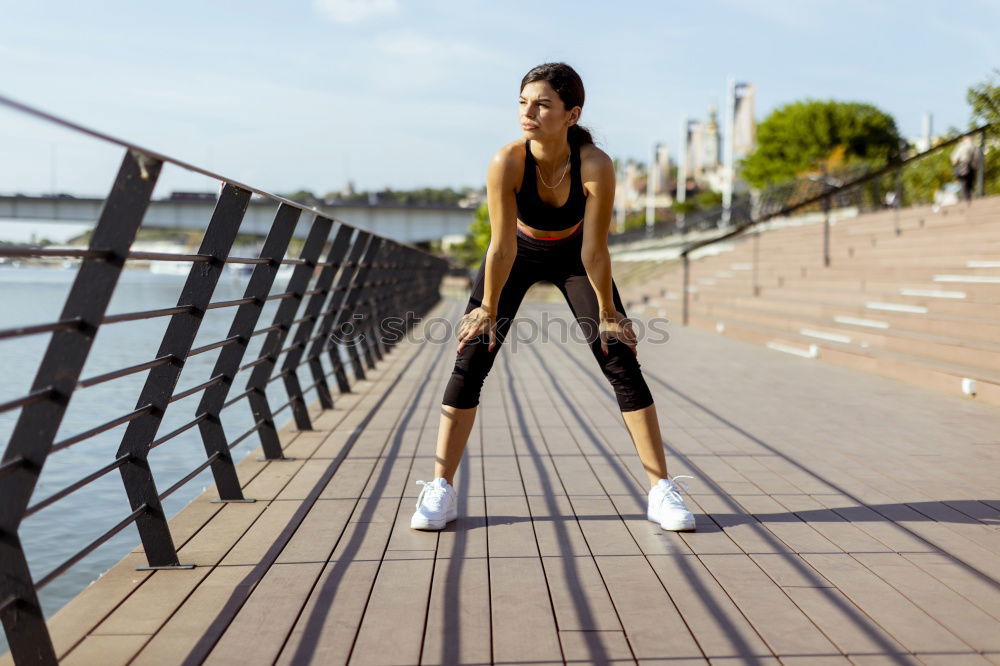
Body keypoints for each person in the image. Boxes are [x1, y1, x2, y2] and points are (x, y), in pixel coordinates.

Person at [410, 63, 696, 533]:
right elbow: (500, 246)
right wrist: (487, 307)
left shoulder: (595, 164)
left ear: (571, 113)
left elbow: (595, 249)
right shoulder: (507, 161)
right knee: (472, 353)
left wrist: (608, 313)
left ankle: (660, 489)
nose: (529, 112)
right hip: (516, 253)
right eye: (523, 102)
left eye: (543, 104)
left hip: (572, 255)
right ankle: (441, 488)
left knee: (618, 354)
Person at [951, 135, 981, 203]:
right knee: (970, 184)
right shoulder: (976, 147)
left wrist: (955, 167)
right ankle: (970, 199)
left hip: (963, 166)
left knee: (963, 183)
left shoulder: (962, 146)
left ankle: (965, 200)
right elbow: (978, 159)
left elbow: (954, 158)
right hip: (973, 168)